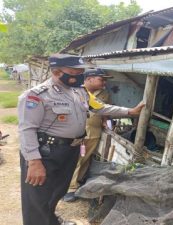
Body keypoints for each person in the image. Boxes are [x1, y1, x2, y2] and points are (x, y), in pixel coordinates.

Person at [18, 54, 145, 225]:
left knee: (57, 191)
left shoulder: (79, 91)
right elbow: (27, 130)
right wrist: (33, 162)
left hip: (69, 150)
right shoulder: (36, 95)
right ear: (56, 72)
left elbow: (100, 108)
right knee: (38, 196)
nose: (79, 75)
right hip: (46, 152)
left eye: (81, 71)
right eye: (74, 71)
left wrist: (129, 112)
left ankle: (50, 220)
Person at [63, 68, 112, 202]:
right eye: (101, 79)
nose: (104, 82)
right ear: (89, 79)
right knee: (76, 159)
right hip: (79, 131)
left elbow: (105, 110)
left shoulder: (105, 93)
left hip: (94, 131)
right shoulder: (76, 91)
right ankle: (69, 188)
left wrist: (105, 122)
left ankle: (77, 183)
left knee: (85, 159)